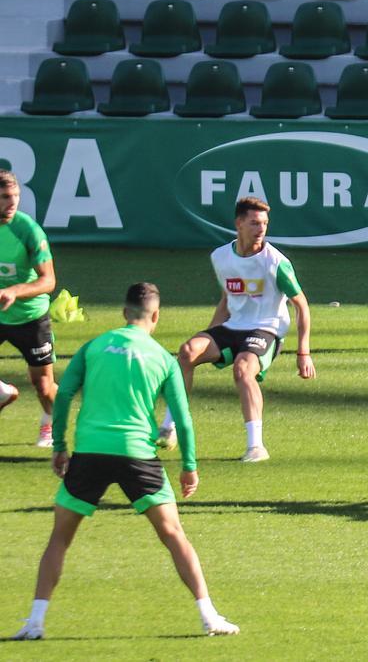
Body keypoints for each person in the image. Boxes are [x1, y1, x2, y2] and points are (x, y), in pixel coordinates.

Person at [11, 283, 238, 641]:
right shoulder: (163, 358)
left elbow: (64, 393)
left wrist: (60, 445)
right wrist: (189, 466)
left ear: (123, 313)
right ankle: (209, 616)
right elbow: (182, 417)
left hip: (90, 452)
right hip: (137, 455)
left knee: (60, 538)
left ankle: (35, 622)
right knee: (173, 535)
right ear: (156, 315)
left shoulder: (94, 346)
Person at [158, 197, 315, 463]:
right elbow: (227, 299)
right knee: (187, 352)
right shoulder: (220, 257)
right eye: (254, 223)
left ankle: (256, 446)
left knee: (243, 369)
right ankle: (169, 427)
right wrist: (208, 336)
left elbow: (301, 305)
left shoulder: (276, 262)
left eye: (264, 223)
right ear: (239, 224)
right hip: (233, 327)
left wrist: (304, 352)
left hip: (266, 329)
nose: (261, 229)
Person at [0, 170, 58, 447]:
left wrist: (14, 291)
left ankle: (51, 421)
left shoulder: (28, 231)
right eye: (4, 197)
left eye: (15, 196)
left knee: (43, 387)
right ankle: (3, 393)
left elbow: (49, 281)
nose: (12, 202)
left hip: (30, 318)